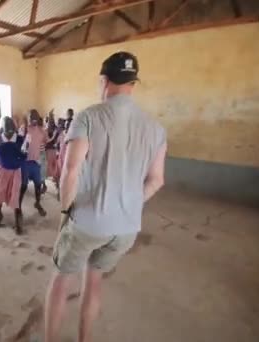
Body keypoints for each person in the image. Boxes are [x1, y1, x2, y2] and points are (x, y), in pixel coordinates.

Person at [44, 52, 167, 342]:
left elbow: (70, 172)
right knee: (94, 283)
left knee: (61, 281)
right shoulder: (156, 128)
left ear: (104, 81)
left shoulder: (88, 117)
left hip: (88, 222)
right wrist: (129, 204)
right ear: (133, 84)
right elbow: (157, 180)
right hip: (125, 229)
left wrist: (65, 215)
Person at [0, 117, 26, 234]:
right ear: (3, 129)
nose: (9, 131)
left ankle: (17, 223)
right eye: (7, 129)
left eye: (11, 129)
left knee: (15, 195)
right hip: (3, 170)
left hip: (16, 171)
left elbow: (24, 156)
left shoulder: (20, 139)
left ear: (14, 128)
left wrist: (18, 151)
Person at [19, 109, 47, 217]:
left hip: (36, 162)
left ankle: (37, 203)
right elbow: (19, 143)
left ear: (38, 118)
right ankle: (19, 207)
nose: (33, 119)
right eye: (31, 117)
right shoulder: (24, 129)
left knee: (38, 185)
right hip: (25, 162)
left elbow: (44, 142)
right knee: (23, 186)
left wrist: (40, 150)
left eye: (35, 117)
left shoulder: (41, 131)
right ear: (28, 118)